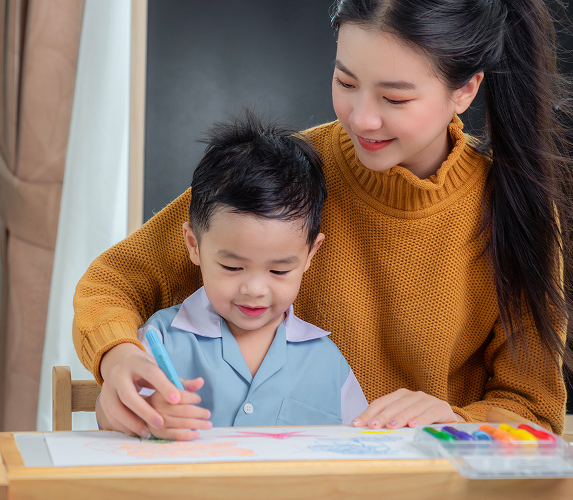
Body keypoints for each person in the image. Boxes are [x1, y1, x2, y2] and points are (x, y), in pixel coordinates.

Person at [74, 0, 573, 440]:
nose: (362, 117)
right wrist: (118, 356)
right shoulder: (288, 176)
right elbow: (114, 281)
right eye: (346, 82)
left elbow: (534, 412)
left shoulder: (512, 209)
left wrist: (454, 419)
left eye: (395, 96)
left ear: (465, 90)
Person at [93, 112, 368, 439]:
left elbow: (363, 446)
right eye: (232, 267)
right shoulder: (160, 341)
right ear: (194, 245)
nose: (254, 289)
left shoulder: (327, 360)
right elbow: (109, 412)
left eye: (279, 270)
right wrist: (144, 417)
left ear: (310, 255)